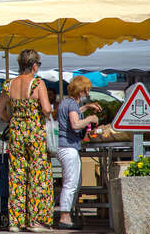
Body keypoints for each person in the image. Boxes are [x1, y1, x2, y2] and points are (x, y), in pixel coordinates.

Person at [0, 49, 54, 233]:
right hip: (35, 133)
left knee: (17, 176)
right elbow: (45, 109)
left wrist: (11, 120)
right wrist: (50, 113)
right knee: (38, 175)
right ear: (34, 65)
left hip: (16, 133)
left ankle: (15, 221)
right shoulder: (37, 83)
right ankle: (36, 221)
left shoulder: (9, 84)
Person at [56, 76, 101, 230]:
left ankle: (67, 214)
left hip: (64, 147)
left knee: (73, 182)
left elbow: (74, 113)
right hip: (69, 147)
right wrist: (90, 118)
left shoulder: (66, 102)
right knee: (71, 184)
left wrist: (86, 107)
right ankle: (64, 217)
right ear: (81, 89)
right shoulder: (72, 105)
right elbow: (75, 124)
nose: (88, 92)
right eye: (87, 89)